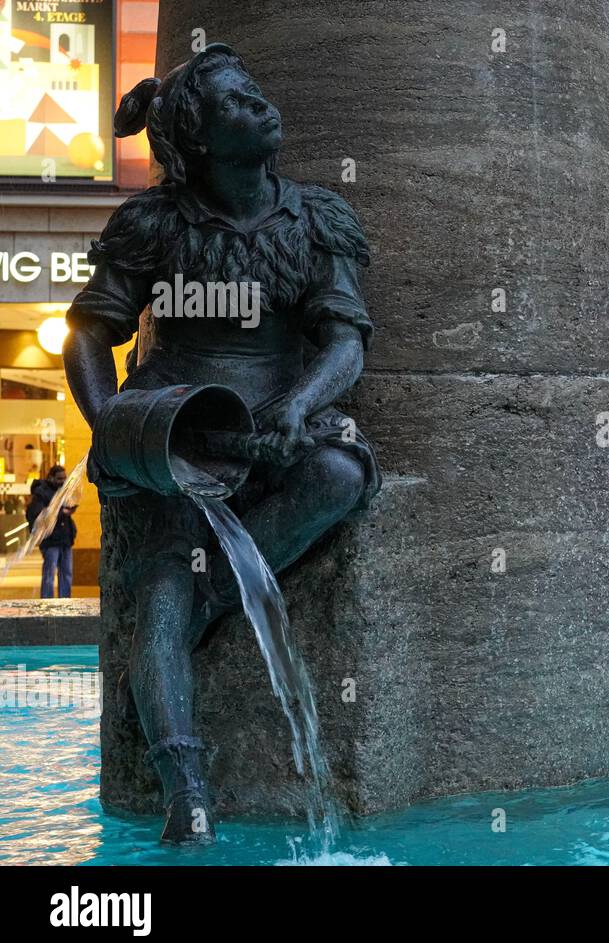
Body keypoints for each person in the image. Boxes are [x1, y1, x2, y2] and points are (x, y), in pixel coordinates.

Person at [62, 45, 379, 844]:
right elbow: (88, 335)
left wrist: (301, 404)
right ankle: (186, 787)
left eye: (258, 94)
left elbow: (344, 341)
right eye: (239, 103)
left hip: (280, 408)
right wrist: (116, 431)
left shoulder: (316, 217)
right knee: (159, 596)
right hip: (176, 419)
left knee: (341, 471)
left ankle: (212, 596)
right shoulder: (152, 223)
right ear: (198, 141)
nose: (263, 108)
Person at [26, 465, 77, 598]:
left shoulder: (63, 492)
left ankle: (65, 602)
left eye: (65, 478)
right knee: (49, 574)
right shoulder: (42, 493)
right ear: (51, 478)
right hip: (50, 540)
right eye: (60, 478)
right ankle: (47, 602)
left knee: (66, 573)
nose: (63, 481)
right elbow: (39, 514)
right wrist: (62, 512)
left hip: (65, 538)